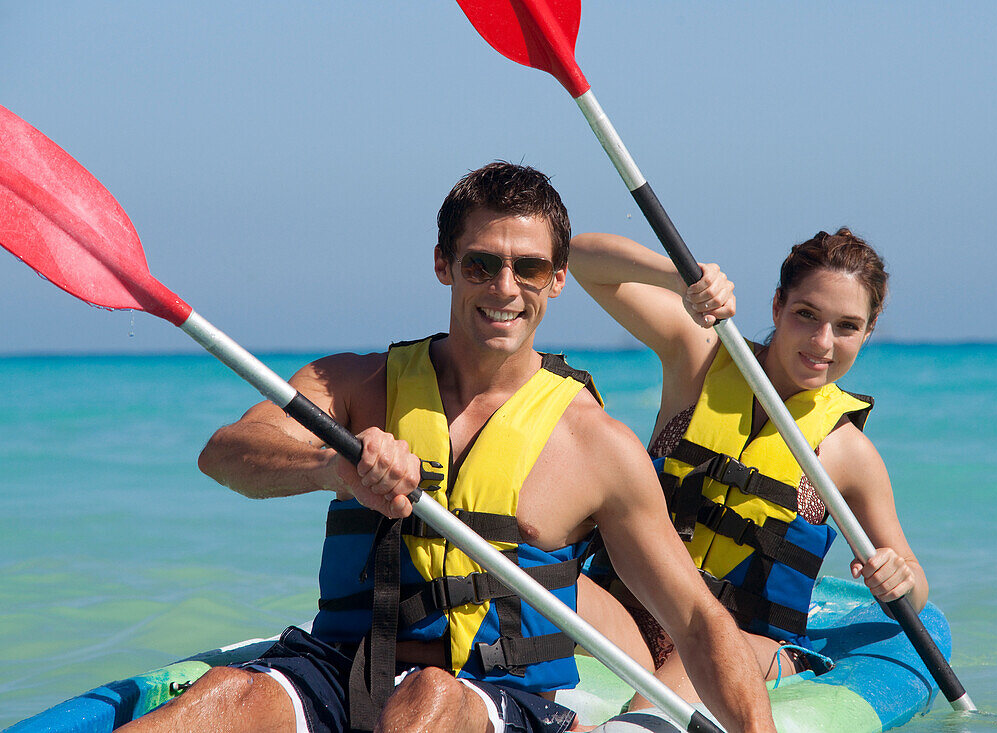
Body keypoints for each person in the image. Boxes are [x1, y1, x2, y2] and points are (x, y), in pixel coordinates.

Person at [118, 163, 775, 733]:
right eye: (482, 263)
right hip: (337, 670)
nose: (505, 288)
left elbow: (698, 622)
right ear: (444, 265)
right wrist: (334, 466)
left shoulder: (596, 444)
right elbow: (227, 453)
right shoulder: (355, 385)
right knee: (229, 693)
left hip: (492, 699)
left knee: (428, 697)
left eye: (530, 267)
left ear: (559, 278)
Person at [570, 228, 928, 701]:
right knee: (533, 572)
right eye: (806, 315)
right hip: (635, 614)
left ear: (868, 330)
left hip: (754, 645)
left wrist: (898, 576)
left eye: (846, 326)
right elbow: (576, 258)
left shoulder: (848, 454)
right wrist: (682, 279)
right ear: (777, 305)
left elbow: (913, 585)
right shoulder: (698, 359)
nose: (822, 343)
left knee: (706, 647)